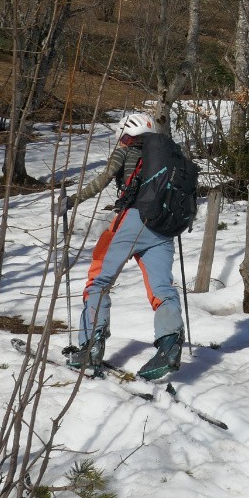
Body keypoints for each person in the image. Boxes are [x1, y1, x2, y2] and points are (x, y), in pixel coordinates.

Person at [59, 111, 184, 380]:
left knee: (98, 281)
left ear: (126, 133)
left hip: (133, 221)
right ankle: (169, 346)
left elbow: (104, 178)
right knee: (162, 288)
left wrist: (73, 199)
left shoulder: (126, 150)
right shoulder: (169, 155)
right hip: (164, 227)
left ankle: (90, 348)